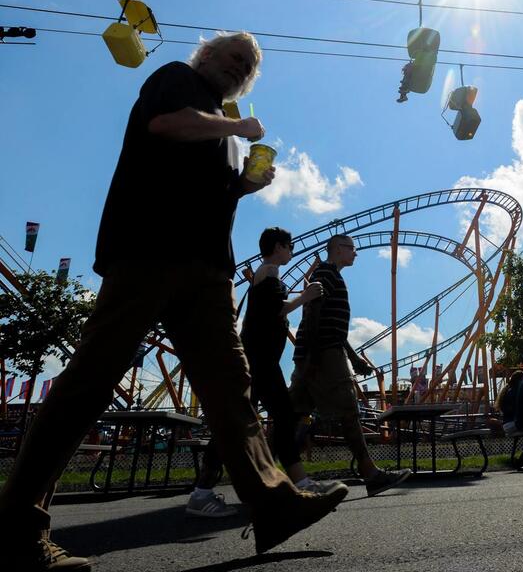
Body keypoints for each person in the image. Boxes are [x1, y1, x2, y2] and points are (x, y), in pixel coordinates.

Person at [0, 33, 348, 571]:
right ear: (207, 55)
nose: (240, 67)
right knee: (91, 381)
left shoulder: (217, 122)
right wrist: (239, 126)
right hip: (150, 251)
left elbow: (211, 187)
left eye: (249, 65)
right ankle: (16, 531)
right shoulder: (177, 79)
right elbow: (164, 126)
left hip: (208, 270)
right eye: (234, 56)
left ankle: (274, 505)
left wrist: (245, 186)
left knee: (232, 388)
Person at [186, 227, 342, 517]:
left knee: (265, 418)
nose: (293, 250)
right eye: (290, 246)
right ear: (279, 247)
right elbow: (275, 311)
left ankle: (299, 482)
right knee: (266, 418)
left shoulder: (268, 274)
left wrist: (300, 295)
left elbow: (270, 309)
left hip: (262, 360)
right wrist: (305, 296)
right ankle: (203, 494)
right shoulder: (268, 272)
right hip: (258, 361)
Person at [289, 234, 411, 497]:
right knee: (348, 412)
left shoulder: (332, 275)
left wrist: (355, 360)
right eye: (351, 249)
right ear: (338, 249)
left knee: (296, 416)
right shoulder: (325, 272)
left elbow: (335, 328)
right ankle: (371, 474)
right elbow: (311, 312)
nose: (355, 253)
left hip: (316, 352)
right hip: (324, 355)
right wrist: (313, 358)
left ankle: (277, 474)